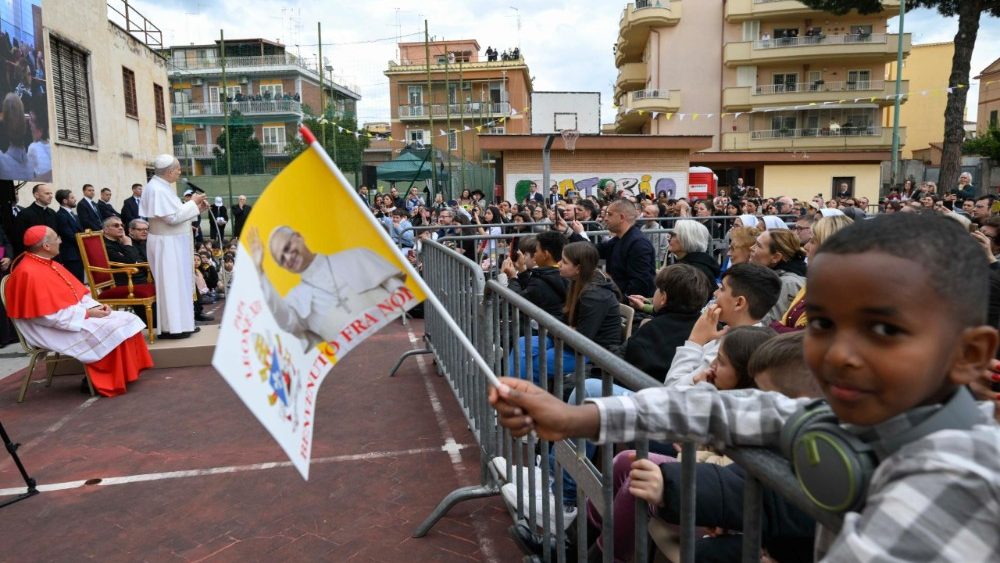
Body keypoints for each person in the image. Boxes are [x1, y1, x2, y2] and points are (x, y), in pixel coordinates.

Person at [490, 213, 1000, 562]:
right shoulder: (861, 419)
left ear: (970, 354)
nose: (841, 353)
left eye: (884, 330)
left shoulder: (957, 478)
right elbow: (730, 413)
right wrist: (573, 418)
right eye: (822, 324)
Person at [5, 226, 153, 397]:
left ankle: (125, 374)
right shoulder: (28, 272)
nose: (60, 241)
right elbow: (46, 316)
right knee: (109, 328)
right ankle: (100, 381)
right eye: (56, 238)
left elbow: (76, 294)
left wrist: (95, 306)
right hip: (50, 328)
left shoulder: (48, 263)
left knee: (126, 318)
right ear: (46, 246)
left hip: (69, 316)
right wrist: (88, 314)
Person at [247, 225, 407, 350]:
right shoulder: (295, 298)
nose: (288, 257)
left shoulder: (355, 255)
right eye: (282, 259)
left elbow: (397, 288)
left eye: (287, 248)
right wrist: (260, 272)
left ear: (298, 237)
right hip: (352, 358)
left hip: (390, 335)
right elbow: (287, 322)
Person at [663, 263, 781, 387]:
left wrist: (695, 341)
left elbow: (673, 388)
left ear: (739, 303)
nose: (715, 293)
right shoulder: (740, 334)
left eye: (722, 289)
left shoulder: (733, 348)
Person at [139, 154, 209, 339]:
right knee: (171, 285)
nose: (180, 172)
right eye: (178, 169)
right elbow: (171, 218)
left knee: (180, 284)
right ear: (169, 172)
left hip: (173, 243)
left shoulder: (163, 187)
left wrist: (196, 209)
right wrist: (192, 203)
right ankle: (172, 328)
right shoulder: (156, 189)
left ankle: (183, 324)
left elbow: (176, 214)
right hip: (166, 244)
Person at [623, 264, 714, 379]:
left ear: (663, 298)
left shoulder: (649, 332)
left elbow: (627, 372)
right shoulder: (712, 327)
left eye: (657, 289)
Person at [772, 215, 853, 334]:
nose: (806, 247)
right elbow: (784, 323)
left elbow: (805, 336)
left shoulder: (842, 292)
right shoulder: (815, 283)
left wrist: (776, 329)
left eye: (813, 241)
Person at [571, 200, 656, 298]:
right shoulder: (619, 239)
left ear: (621, 217)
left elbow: (639, 285)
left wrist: (615, 300)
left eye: (609, 214)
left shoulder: (639, 244)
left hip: (628, 304)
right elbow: (593, 250)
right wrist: (568, 232)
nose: (605, 218)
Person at [501, 231, 568, 322]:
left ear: (545, 255)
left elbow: (518, 302)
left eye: (536, 251)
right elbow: (531, 292)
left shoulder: (542, 280)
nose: (535, 255)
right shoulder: (559, 273)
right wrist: (522, 271)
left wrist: (512, 278)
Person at [749, 229, 808, 325]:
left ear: (775, 257)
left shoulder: (788, 284)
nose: (751, 248)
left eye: (758, 246)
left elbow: (771, 324)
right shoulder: (768, 277)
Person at [667, 220, 719, 286]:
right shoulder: (687, 263)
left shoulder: (694, 271)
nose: (669, 238)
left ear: (688, 239)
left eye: (674, 235)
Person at [102, 216, 148, 286]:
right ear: (106, 230)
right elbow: (131, 262)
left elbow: (136, 257)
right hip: (126, 281)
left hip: (136, 277)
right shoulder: (105, 245)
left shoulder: (120, 241)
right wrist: (128, 245)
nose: (120, 228)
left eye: (122, 225)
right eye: (116, 225)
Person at [14, 183, 56, 255]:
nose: (51, 196)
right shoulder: (24, 214)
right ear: (36, 195)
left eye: (51, 193)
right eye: (47, 193)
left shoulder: (52, 213)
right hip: (34, 255)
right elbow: (20, 239)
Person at [53, 188, 85, 282]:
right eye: (72, 197)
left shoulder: (73, 214)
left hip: (79, 253)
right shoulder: (60, 215)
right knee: (75, 281)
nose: (75, 199)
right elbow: (69, 235)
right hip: (71, 255)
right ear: (65, 201)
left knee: (80, 281)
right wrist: (85, 239)